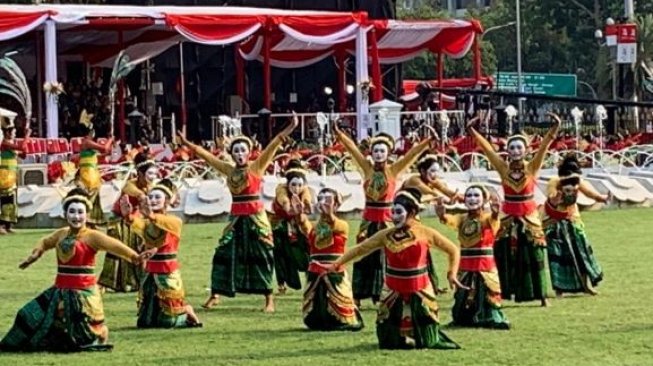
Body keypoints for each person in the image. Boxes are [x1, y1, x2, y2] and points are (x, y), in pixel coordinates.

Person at [0, 189, 148, 352]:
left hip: (83, 293)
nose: (76, 216)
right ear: (65, 214)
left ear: (87, 215)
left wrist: (136, 257)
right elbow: (44, 242)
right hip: (59, 291)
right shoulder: (61, 233)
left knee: (81, 334)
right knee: (27, 315)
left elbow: (116, 246)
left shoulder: (93, 236)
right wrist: (35, 254)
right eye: (72, 212)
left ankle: (99, 333)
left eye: (80, 212)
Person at [177, 114, 298, 312]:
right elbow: (207, 157)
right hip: (235, 220)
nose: (240, 153)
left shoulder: (256, 167)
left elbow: (274, 144)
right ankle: (215, 294)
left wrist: (290, 127)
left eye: (243, 150)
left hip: (256, 218)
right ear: (232, 154)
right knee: (223, 253)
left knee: (263, 255)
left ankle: (269, 299)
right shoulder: (229, 170)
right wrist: (186, 143)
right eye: (236, 151)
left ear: (249, 152)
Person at [329, 188, 463, 350]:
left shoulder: (425, 232)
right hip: (392, 288)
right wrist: (337, 264)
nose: (394, 217)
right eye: (392, 212)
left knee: (427, 338)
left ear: (412, 212)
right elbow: (360, 250)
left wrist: (452, 273)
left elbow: (453, 250)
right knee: (387, 341)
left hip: (419, 287)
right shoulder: (385, 235)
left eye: (399, 212)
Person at [333, 123, 434, 306]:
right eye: (376, 151)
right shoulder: (367, 169)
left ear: (388, 154)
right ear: (371, 153)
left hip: (388, 220)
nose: (379, 154)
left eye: (382, 151)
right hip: (368, 221)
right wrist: (339, 134)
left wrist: (427, 141)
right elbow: (353, 149)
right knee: (363, 256)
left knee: (388, 257)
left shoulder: (393, 170)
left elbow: (411, 155)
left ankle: (385, 293)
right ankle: (357, 296)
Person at [467, 112, 561, 306]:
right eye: (512, 147)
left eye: (519, 147)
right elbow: (487, 150)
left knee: (535, 255)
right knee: (503, 256)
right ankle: (501, 293)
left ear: (526, 150)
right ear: (507, 150)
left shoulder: (532, 167)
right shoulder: (503, 168)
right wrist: (473, 132)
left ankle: (541, 295)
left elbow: (544, 147)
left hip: (529, 217)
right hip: (507, 217)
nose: (516, 150)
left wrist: (554, 128)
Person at [124, 178, 202, 328]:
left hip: (167, 270)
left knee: (169, 322)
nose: (153, 200)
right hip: (151, 270)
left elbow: (163, 223)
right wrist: (128, 216)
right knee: (145, 322)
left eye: (157, 197)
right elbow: (139, 226)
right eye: (151, 197)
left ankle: (187, 310)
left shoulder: (174, 221)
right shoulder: (147, 222)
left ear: (166, 201)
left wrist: (151, 216)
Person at [436, 185, 510, 329]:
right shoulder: (462, 219)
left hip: (484, 265)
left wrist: (495, 214)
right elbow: (451, 220)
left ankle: (488, 318)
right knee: (463, 294)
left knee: (487, 294)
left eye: (476, 196)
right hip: (466, 265)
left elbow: (494, 224)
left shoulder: (488, 218)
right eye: (469, 196)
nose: (472, 199)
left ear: (484, 200)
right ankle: (463, 319)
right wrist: (442, 215)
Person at [299, 188, 363, 331]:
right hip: (315, 267)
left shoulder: (342, 225)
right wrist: (299, 214)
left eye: (328, 201)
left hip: (334, 268)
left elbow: (335, 226)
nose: (323, 203)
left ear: (336, 205)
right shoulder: (316, 226)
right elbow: (306, 230)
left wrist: (330, 215)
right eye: (321, 199)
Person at [543, 154, 608, 297]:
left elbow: (589, 192)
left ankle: (585, 285)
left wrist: (601, 198)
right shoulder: (554, 182)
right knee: (559, 256)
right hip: (556, 224)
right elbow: (551, 200)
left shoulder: (577, 180)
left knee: (581, 254)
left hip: (574, 222)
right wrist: (558, 196)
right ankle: (559, 289)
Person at [98, 151, 159, 292]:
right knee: (118, 251)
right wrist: (142, 195)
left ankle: (139, 282)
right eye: (149, 174)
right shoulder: (130, 184)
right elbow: (131, 191)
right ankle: (108, 283)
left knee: (142, 248)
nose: (152, 178)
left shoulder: (150, 186)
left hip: (134, 220)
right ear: (140, 173)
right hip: (119, 219)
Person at [271, 159, 312, 294]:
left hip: (300, 225)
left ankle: (310, 278)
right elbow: (285, 202)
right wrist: (290, 208)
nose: (296, 188)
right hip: (281, 227)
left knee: (307, 250)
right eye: (293, 184)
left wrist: (305, 205)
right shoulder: (281, 189)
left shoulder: (305, 189)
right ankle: (281, 284)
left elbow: (307, 202)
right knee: (280, 255)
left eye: (299, 184)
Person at [75, 123, 113, 227]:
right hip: (89, 174)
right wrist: (110, 139)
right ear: (91, 132)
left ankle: (92, 220)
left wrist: (109, 148)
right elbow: (104, 148)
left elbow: (101, 154)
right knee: (90, 195)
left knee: (93, 196)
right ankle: (86, 219)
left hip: (90, 171)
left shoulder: (86, 143)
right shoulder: (87, 142)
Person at [0, 121, 29, 235]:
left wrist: (24, 148)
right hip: (4, 175)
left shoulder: (12, 144)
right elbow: (21, 147)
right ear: (7, 133)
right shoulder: (5, 143)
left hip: (12, 175)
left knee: (11, 200)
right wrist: (27, 136)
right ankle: (1, 224)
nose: (15, 134)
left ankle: (8, 225)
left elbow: (23, 154)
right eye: (14, 132)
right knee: (5, 200)